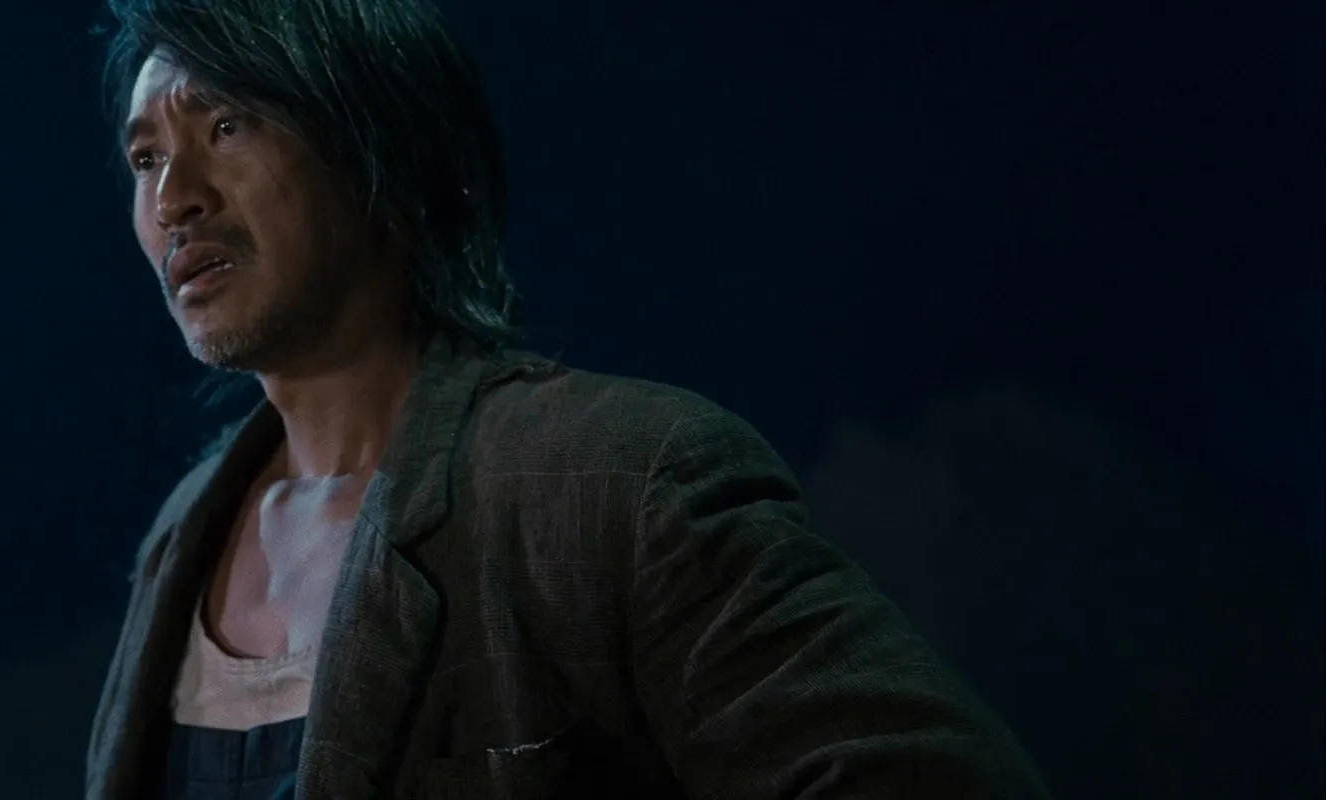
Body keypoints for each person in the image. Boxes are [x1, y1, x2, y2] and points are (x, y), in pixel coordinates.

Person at [85, 0, 1050, 797]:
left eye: (226, 126)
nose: (174, 200)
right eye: (145, 159)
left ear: (381, 146)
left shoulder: (618, 478)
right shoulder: (182, 535)